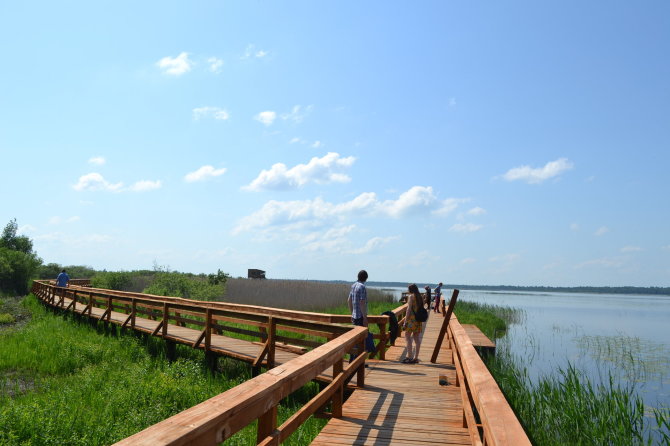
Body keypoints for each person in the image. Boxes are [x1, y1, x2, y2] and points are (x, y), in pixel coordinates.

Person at [402, 283, 423, 364]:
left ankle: (410, 356)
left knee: (407, 336)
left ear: (410, 290)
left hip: (411, 320)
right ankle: (416, 357)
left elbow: (408, 309)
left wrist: (405, 321)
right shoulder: (420, 297)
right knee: (416, 338)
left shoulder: (411, 296)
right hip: (418, 320)